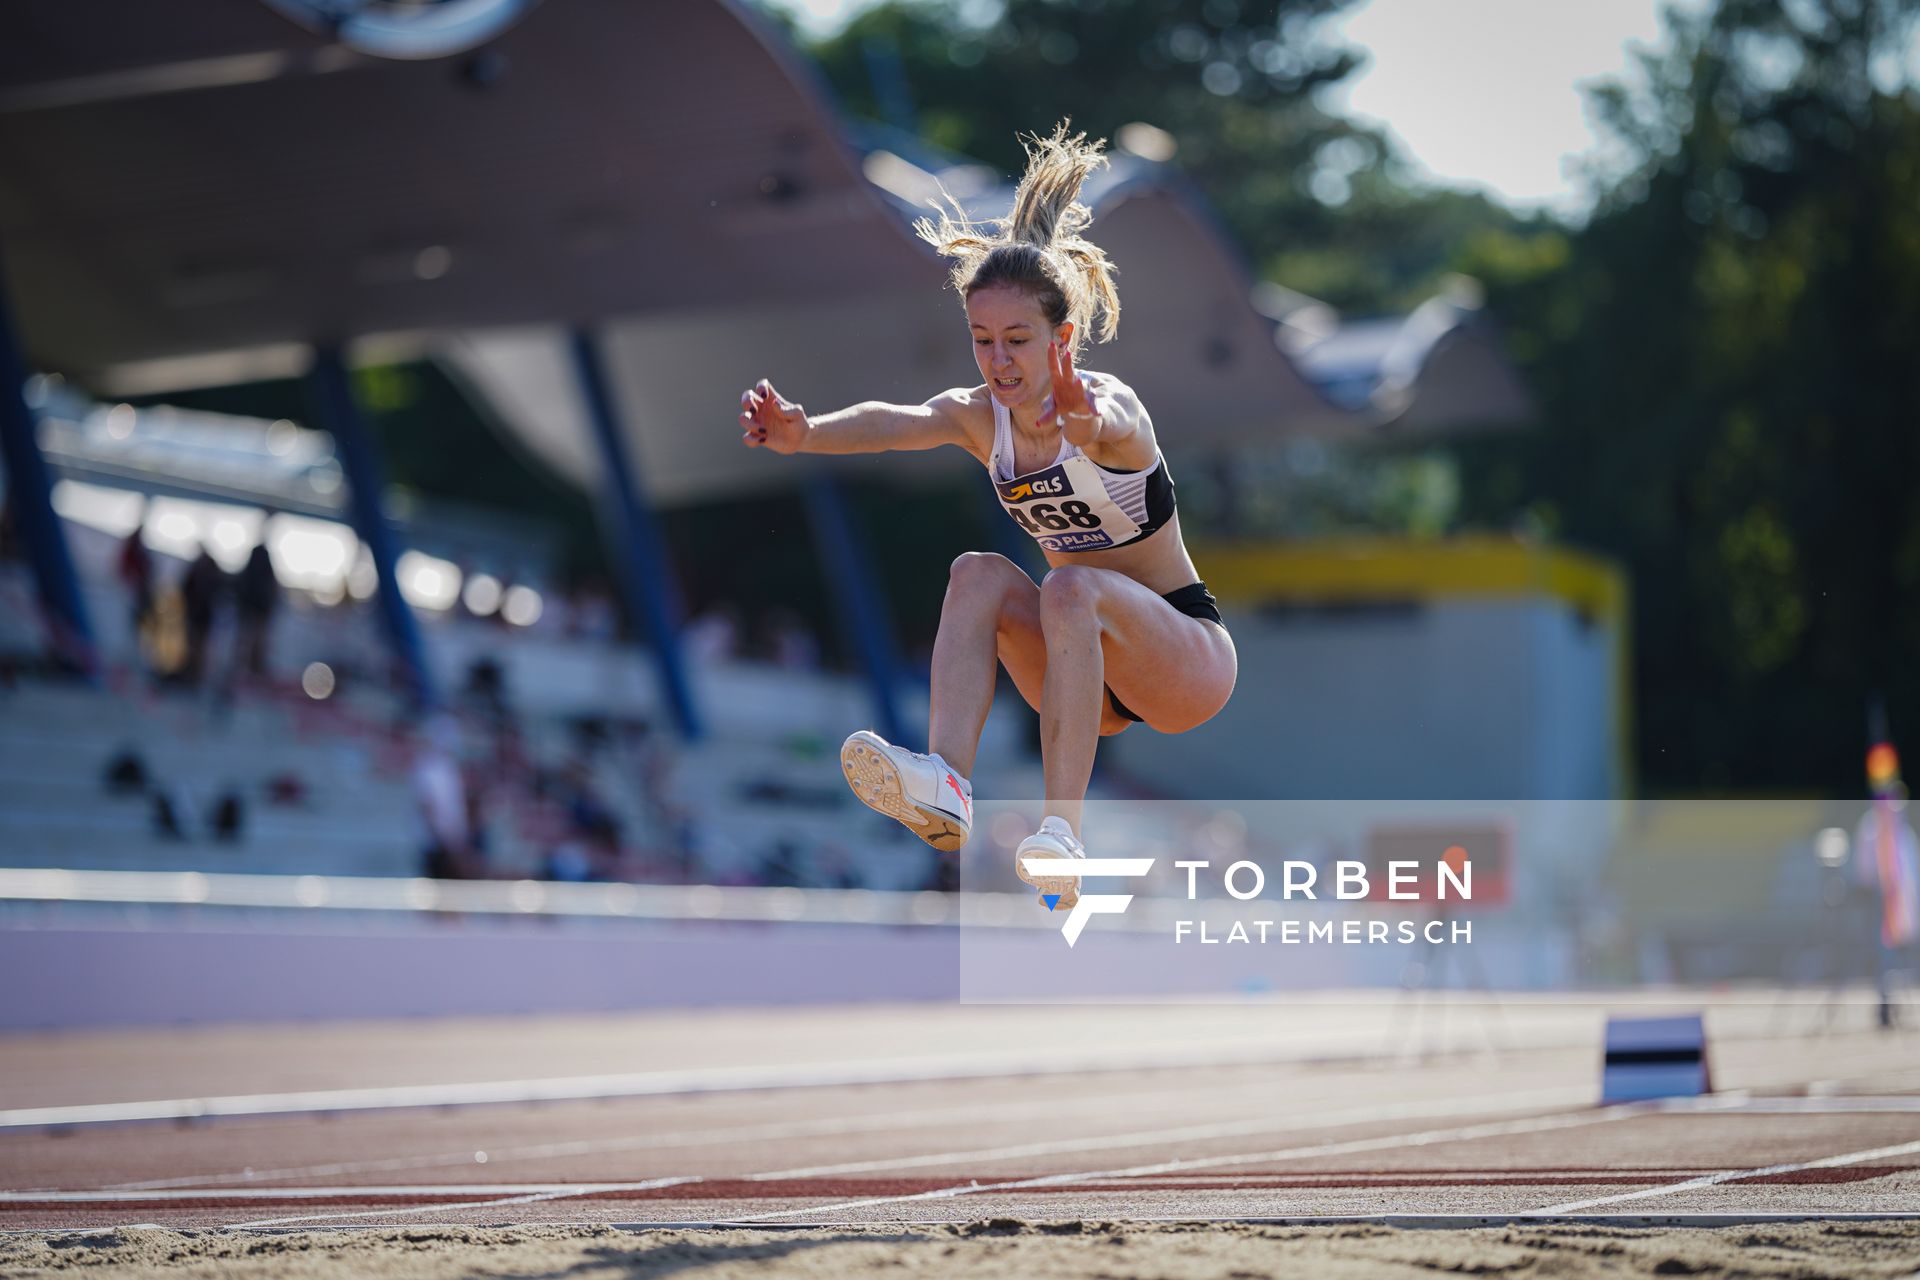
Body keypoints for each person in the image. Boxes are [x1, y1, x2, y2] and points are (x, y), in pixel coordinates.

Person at [738, 123, 1237, 908]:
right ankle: (945, 782)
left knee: (1068, 589)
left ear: (1061, 338)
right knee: (977, 573)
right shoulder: (981, 418)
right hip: (1084, 680)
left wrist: (1079, 419)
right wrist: (804, 435)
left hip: (1182, 658)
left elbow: (1106, 429)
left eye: (1017, 340)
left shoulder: (1111, 406)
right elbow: (895, 421)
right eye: (981, 341)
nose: (998, 361)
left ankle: (1062, 838)